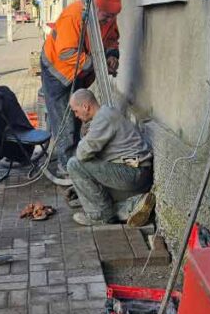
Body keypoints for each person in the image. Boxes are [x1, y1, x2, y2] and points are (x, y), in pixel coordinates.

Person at [41, 0, 122, 185]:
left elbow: (112, 40)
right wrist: (97, 63)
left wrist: (111, 56)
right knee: (65, 121)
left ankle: (74, 159)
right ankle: (67, 167)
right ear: (95, 7)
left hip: (79, 73)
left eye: (111, 17)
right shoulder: (74, 15)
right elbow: (66, 53)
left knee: (77, 119)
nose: (107, 20)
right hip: (57, 72)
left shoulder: (108, 17)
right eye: (104, 16)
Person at [65, 89, 155, 227]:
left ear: (85, 107)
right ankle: (132, 206)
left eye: (75, 111)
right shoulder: (106, 113)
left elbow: (82, 154)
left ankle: (100, 216)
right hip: (136, 173)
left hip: (133, 174)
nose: (75, 115)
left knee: (74, 164)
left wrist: (84, 139)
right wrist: (80, 188)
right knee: (94, 190)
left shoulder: (103, 118)